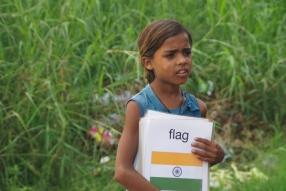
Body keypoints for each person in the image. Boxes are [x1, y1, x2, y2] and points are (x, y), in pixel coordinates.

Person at [114, 19, 225, 191]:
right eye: (170, 55)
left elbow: (190, 168)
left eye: (187, 52)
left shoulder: (197, 108)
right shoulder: (139, 106)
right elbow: (122, 171)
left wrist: (217, 156)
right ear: (148, 63)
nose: (182, 60)